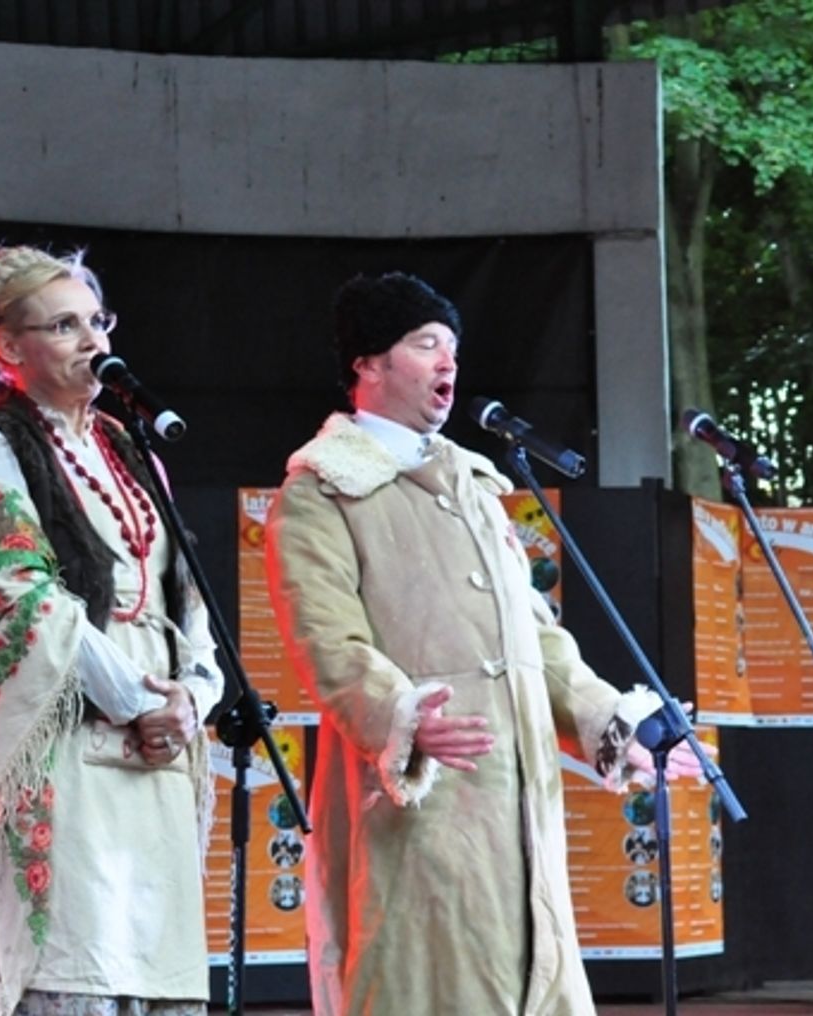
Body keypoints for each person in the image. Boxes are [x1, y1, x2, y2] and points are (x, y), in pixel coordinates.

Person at [264, 272, 702, 1015]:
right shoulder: (322, 490)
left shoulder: (474, 486)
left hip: (519, 805)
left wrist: (612, 723)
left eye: (453, 348)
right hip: (420, 809)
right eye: (424, 344)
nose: (448, 363)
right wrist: (402, 716)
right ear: (368, 364)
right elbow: (326, 640)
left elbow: (537, 640)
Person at [0, 245, 224, 1016]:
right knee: (71, 974)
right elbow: (18, 597)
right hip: (67, 753)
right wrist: (136, 701)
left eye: (98, 321)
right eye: (64, 325)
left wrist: (192, 699)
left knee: (155, 977)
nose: (93, 340)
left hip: (155, 754)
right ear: (6, 346)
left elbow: (184, 592)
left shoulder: (127, 448)